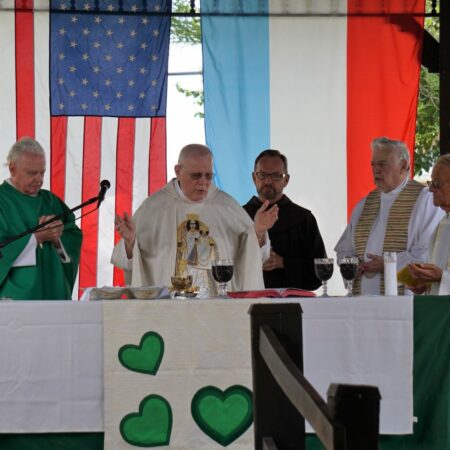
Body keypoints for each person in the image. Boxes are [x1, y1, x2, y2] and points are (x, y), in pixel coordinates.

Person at [111, 144, 264, 294]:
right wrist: (130, 242)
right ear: (178, 171)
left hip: (216, 307)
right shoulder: (154, 206)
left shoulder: (226, 206)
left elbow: (252, 254)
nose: (203, 182)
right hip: (168, 309)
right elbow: (129, 262)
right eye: (196, 175)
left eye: (208, 175)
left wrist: (258, 231)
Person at [335, 136, 444, 295]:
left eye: (382, 164)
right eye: (373, 164)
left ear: (403, 166)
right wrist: (351, 265)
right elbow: (344, 250)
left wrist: (388, 264)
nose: (376, 170)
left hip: (403, 302)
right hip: (361, 299)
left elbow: (428, 254)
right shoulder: (365, 204)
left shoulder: (425, 200)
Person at [0, 137, 82, 300]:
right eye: (32, 173)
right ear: (13, 169)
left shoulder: (51, 201)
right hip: (16, 295)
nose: (39, 179)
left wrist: (58, 237)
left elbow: (73, 234)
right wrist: (35, 238)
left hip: (54, 288)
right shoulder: (2, 201)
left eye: (42, 172)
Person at [243, 149, 326, 290]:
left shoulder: (304, 219)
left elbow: (320, 272)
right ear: (254, 178)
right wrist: (256, 262)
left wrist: (284, 263)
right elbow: (225, 266)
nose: (268, 181)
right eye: (262, 175)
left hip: (294, 306)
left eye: (275, 175)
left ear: (286, 180)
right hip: (246, 306)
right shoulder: (240, 216)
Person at [405, 154, 450, 294]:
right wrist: (426, 284)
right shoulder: (443, 223)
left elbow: (442, 276)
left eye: (437, 183)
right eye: (431, 183)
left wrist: (442, 278)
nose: (430, 189)